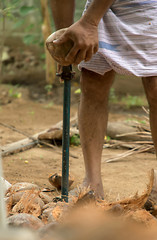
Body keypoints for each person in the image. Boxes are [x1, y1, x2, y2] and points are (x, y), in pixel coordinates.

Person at [49, 0, 157, 199]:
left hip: (149, 6)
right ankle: (92, 183)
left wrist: (89, 22)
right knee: (93, 83)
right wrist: (65, 41)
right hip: (101, 9)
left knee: (155, 88)